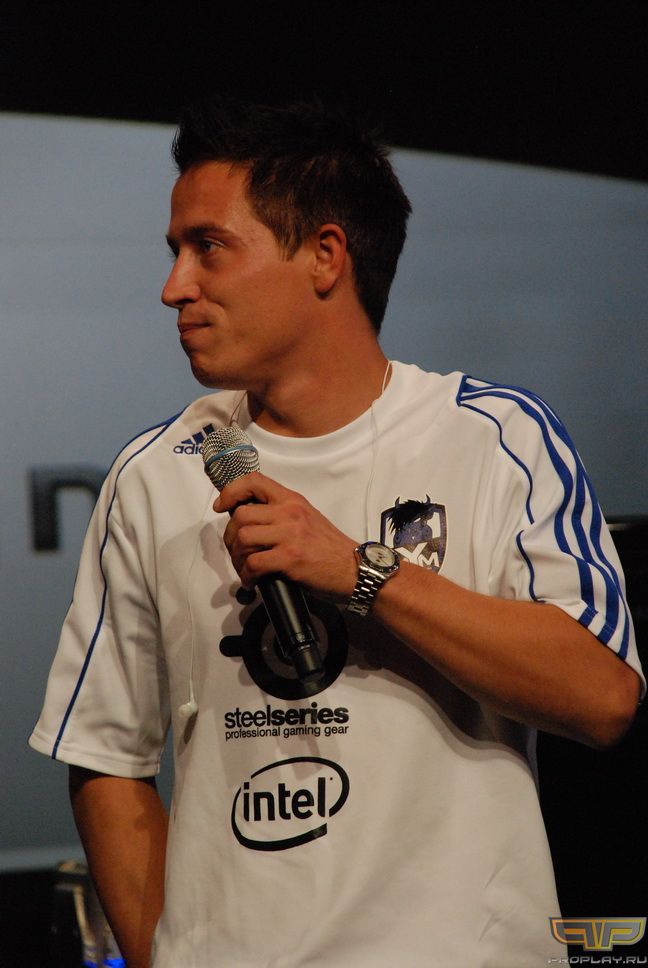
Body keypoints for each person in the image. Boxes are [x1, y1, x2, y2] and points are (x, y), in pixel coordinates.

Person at [30, 96, 643, 968]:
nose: (175, 288)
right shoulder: (154, 473)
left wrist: (361, 571)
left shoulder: (495, 437)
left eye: (209, 246)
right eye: (174, 252)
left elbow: (603, 696)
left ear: (324, 255)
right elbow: (105, 758)